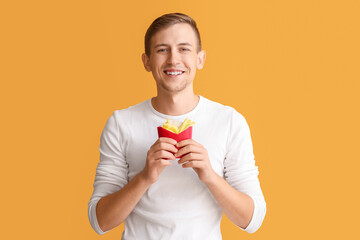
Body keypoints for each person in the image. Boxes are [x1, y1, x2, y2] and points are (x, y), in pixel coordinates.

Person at [88, 13, 266, 239]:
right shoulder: (121, 123)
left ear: (200, 59)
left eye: (184, 49)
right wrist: (145, 176)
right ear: (147, 61)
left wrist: (209, 175)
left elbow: (253, 220)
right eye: (162, 49)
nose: (173, 60)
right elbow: (99, 221)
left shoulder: (229, 121)